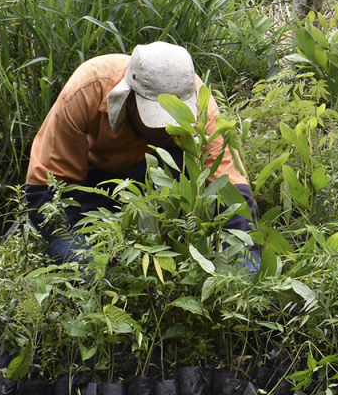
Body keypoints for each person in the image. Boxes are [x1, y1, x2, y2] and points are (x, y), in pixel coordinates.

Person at [24, 42, 257, 267]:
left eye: (173, 121)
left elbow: (231, 189)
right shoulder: (88, 88)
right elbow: (47, 190)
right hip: (95, 182)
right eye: (156, 120)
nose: (166, 131)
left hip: (164, 180)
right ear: (129, 100)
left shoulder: (199, 101)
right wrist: (82, 262)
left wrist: (245, 261)